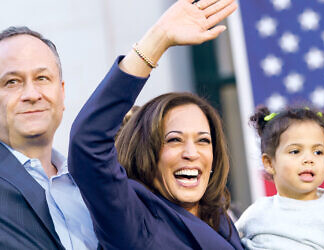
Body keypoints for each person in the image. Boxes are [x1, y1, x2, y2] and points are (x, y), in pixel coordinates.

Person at [69, 0, 242, 249]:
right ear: (146, 153)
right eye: (174, 139)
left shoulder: (221, 221)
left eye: (203, 140)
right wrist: (157, 40)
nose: (191, 153)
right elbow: (87, 143)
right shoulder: (134, 218)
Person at [0, 27, 97, 249]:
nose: (31, 94)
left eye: (42, 78)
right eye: (12, 82)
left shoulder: (93, 185)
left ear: (62, 93)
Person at [236, 106, 324, 249]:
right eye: (295, 151)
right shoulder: (257, 212)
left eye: (318, 152)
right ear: (269, 163)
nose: (309, 159)